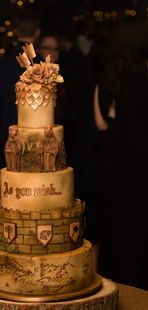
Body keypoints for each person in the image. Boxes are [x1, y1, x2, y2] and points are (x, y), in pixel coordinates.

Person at [93, 17, 148, 289]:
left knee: (114, 220)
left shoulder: (109, 75)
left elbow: (101, 123)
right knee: (138, 219)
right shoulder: (142, 77)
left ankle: (113, 279)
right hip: (140, 157)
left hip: (113, 155)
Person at [0, 11, 41, 166]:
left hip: (8, 126)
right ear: (37, 33)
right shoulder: (40, 64)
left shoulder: (4, 62)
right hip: (33, 129)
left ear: (16, 32)